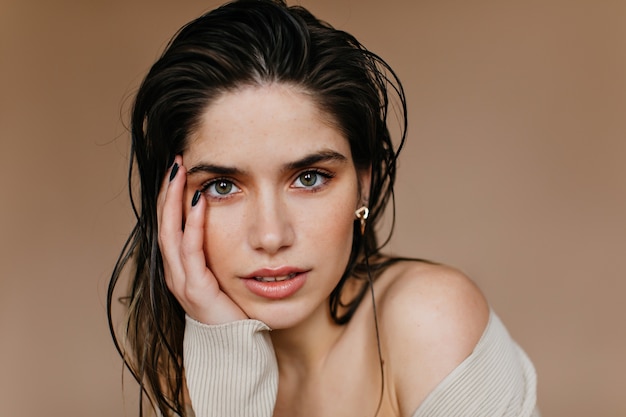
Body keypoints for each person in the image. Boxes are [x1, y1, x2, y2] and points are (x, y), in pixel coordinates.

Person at [108, 0, 539, 416]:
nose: (272, 236)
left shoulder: (429, 322)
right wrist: (224, 350)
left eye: (309, 178)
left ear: (363, 187)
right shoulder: (184, 364)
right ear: (173, 205)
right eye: (222, 186)